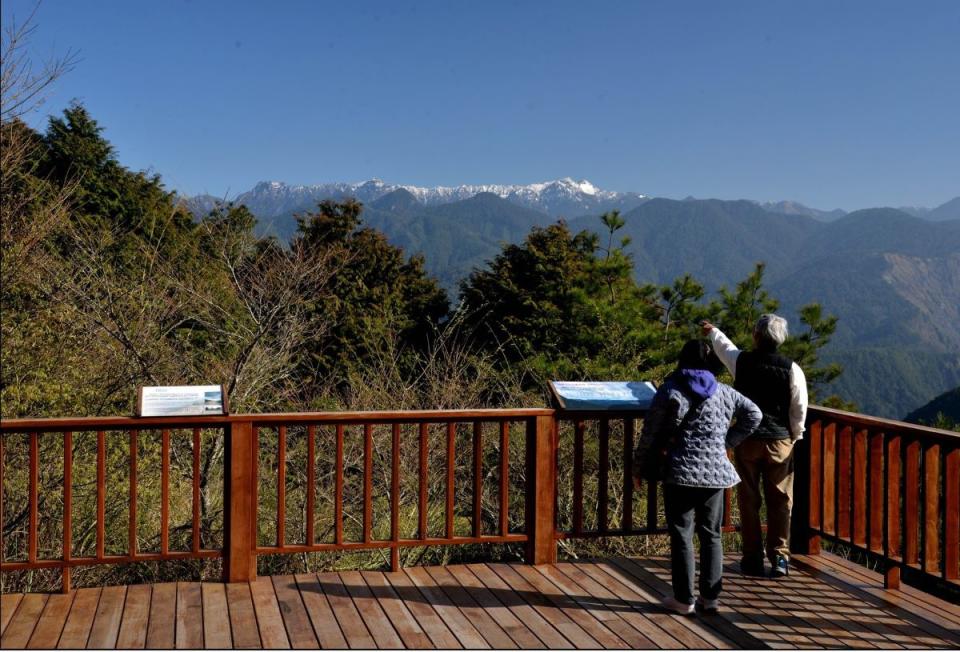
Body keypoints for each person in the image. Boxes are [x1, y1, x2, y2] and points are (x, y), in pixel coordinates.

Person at [634, 339, 761, 615]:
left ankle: (683, 598)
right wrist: (727, 441)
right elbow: (754, 414)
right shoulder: (725, 392)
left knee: (682, 535)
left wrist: (640, 466)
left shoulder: (671, 390)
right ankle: (710, 598)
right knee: (711, 535)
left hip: (680, 471)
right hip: (716, 473)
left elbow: (650, 433)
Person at [701, 315, 808, 578]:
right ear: (780, 339)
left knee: (748, 500)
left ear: (756, 336)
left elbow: (725, 349)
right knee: (781, 500)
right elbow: (799, 408)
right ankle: (780, 557)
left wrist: (713, 331)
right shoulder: (792, 369)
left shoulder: (743, 362)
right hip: (780, 442)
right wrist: (795, 435)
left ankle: (751, 558)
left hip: (748, 440)